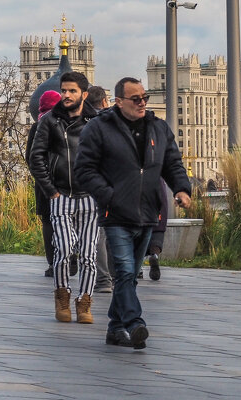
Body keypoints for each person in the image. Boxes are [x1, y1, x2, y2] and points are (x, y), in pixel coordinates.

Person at [75, 76, 192, 350]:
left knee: (131, 274)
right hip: (115, 213)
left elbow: (172, 163)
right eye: (135, 99)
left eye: (144, 97)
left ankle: (115, 329)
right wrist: (109, 195)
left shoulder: (158, 128)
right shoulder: (99, 129)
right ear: (119, 101)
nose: (142, 103)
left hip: (148, 212)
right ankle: (135, 322)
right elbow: (84, 170)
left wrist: (181, 189)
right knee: (126, 272)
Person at [29, 71, 100, 324]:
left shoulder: (96, 121)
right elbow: (35, 157)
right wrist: (51, 190)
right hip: (60, 195)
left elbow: (107, 157)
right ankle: (62, 296)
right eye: (64, 90)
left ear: (84, 94)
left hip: (90, 197)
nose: (66, 95)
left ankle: (85, 303)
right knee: (64, 249)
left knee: (89, 255)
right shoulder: (49, 121)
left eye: (72, 91)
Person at [26, 90, 62, 276]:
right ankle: (67, 254)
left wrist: (41, 177)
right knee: (65, 221)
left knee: (48, 222)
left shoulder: (37, 126)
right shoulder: (63, 125)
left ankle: (52, 263)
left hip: (43, 185)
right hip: (64, 182)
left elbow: (30, 158)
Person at [85, 85, 115, 294]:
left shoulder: (83, 122)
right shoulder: (116, 121)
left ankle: (103, 278)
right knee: (115, 231)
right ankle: (116, 276)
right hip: (114, 185)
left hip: (90, 186)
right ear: (105, 101)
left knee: (98, 234)